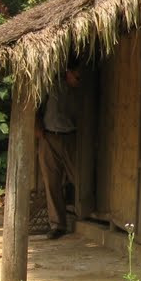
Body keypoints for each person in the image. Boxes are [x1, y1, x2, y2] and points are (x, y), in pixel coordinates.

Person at [37, 64, 81, 240]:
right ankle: (57, 224)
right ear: (68, 73)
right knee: (52, 181)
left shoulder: (79, 92)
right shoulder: (51, 87)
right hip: (49, 136)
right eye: (76, 78)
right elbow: (35, 106)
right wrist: (38, 130)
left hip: (71, 137)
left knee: (78, 176)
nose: (79, 82)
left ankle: (84, 212)